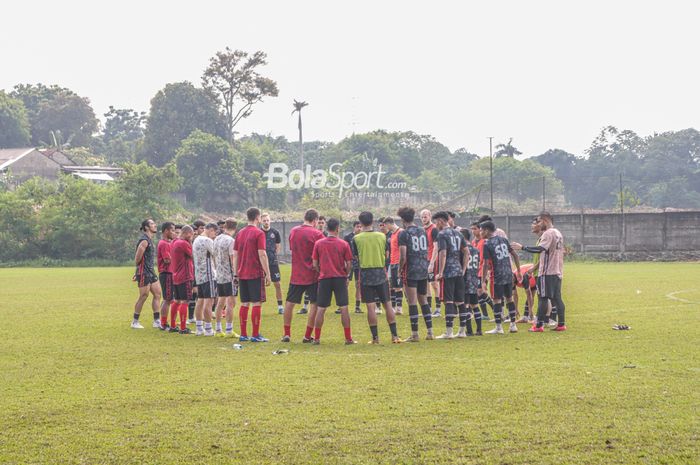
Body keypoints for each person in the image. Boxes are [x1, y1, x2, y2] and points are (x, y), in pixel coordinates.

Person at [512, 212, 567, 332]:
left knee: (542, 298)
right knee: (557, 298)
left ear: (545, 220)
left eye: (539, 221)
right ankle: (561, 324)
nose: (538, 223)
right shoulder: (558, 233)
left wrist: (523, 247)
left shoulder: (548, 233)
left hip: (547, 272)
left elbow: (540, 249)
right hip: (557, 271)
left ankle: (538, 326)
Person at [352, 211, 401, 344]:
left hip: (366, 274)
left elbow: (356, 257)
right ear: (372, 221)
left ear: (360, 223)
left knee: (370, 307)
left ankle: (375, 338)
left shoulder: (356, 238)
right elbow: (386, 254)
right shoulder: (382, 236)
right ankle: (395, 336)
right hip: (380, 273)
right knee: (388, 304)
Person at [281, 209, 325, 342]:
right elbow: (322, 254)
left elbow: (292, 249)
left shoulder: (294, 231)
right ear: (315, 220)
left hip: (296, 274)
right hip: (313, 274)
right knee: (314, 304)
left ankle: (287, 334)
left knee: (289, 303)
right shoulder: (317, 234)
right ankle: (307, 335)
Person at [311, 218, 356, 345]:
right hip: (340, 278)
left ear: (326, 228)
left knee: (321, 308)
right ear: (337, 229)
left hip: (324, 279)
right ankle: (348, 338)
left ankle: (317, 338)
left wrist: (321, 272)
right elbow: (349, 263)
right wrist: (346, 274)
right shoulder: (343, 244)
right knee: (344, 308)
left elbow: (314, 263)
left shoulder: (319, 243)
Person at [232, 207, 271, 342]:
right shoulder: (259, 233)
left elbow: (235, 255)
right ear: (257, 218)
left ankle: (243, 334)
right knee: (256, 303)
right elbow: (262, 254)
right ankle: (255, 335)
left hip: (242, 273)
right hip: (255, 273)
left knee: (245, 303)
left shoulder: (239, 233)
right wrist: (268, 273)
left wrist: (236, 274)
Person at [396, 207, 433, 342]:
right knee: (423, 301)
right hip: (423, 268)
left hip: (411, 270)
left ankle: (415, 334)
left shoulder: (404, 234)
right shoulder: (422, 231)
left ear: (403, 219)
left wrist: (400, 269)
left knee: (412, 302)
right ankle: (430, 332)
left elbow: (403, 256)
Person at [480, 221, 521, 334]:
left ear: (487, 230)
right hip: (508, 273)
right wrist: (518, 271)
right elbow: (515, 255)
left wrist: (483, 280)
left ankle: (499, 327)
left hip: (497, 275)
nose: (480, 232)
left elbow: (486, 264)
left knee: (497, 300)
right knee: (509, 298)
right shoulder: (503, 239)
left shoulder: (487, 244)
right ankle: (513, 325)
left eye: (481, 230)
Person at [432, 211, 469, 339]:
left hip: (448, 271)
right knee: (460, 301)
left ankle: (449, 332)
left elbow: (443, 253)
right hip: (458, 271)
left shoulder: (442, 234)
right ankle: (462, 331)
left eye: (436, 222)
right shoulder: (458, 233)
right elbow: (466, 252)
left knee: (448, 301)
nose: (435, 225)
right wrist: (463, 269)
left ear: (441, 221)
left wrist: (441, 272)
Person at [132, 219, 162, 329]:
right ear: (146, 227)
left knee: (158, 294)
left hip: (151, 272)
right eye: (152, 224)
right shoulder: (144, 241)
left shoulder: (150, 240)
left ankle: (156, 321)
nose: (155, 225)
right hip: (144, 272)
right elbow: (137, 259)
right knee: (144, 296)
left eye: (155, 223)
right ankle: (135, 321)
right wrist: (138, 272)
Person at [214, 218, 239, 337]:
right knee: (231, 302)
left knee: (220, 302)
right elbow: (232, 258)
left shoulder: (217, 239)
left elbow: (214, 256)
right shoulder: (231, 241)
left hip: (219, 275)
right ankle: (229, 329)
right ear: (235, 228)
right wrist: (236, 274)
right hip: (229, 276)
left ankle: (218, 329)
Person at [193, 223, 218, 336]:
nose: (214, 236)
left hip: (199, 275)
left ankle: (199, 328)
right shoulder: (207, 241)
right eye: (214, 233)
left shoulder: (196, 240)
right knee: (209, 301)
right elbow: (216, 254)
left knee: (200, 301)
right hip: (209, 275)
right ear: (211, 230)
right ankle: (208, 329)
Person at [170, 225, 194, 334]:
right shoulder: (184, 243)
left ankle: (173, 325)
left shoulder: (174, 242)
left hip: (175, 276)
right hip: (185, 276)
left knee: (177, 300)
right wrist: (190, 242)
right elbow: (193, 255)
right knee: (185, 301)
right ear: (188, 233)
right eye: (192, 235)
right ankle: (183, 328)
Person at [470, 221, 494, 321]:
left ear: (480, 230)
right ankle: (485, 314)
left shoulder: (484, 242)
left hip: (482, 270)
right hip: (474, 271)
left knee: (480, 291)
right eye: (472, 229)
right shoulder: (473, 242)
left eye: (475, 229)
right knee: (478, 292)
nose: (473, 231)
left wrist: (487, 270)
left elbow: (486, 258)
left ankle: (493, 308)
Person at [461, 229, 483, 336]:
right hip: (474, 279)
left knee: (466, 306)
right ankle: (479, 330)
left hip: (465, 280)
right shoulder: (476, 250)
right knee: (475, 305)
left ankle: (469, 330)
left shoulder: (462, 250)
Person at [260, 213, 284, 314]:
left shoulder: (275, 232)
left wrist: (274, 255)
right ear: (261, 221)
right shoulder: (258, 232)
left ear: (270, 221)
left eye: (267, 220)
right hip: (261, 262)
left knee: (277, 284)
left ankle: (280, 307)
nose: (266, 222)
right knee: (259, 285)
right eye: (264, 220)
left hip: (273, 263)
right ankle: (258, 307)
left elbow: (278, 246)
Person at [420, 209, 441, 317]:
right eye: (422, 217)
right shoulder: (422, 230)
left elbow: (436, 247)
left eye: (426, 216)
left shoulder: (434, 229)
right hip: (424, 260)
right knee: (426, 284)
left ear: (430, 216)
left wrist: (432, 262)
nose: (424, 219)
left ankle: (438, 309)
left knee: (434, 283)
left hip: (432, 259)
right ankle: (428, 308)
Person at [157, 222, 177, 330]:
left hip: (169, 273)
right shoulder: (164, 243)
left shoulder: (168, 243)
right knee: (168, 299)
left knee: (168, 299)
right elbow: (167, 259)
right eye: (172, 230)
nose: (174, 233)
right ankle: (163, 323)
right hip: (167, 273)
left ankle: (163, 321)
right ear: (166, 231)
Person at [187, 220, 206, 324]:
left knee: (196, 293)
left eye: (195, 230)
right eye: (193, 230)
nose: (194, 232)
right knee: (193, 293)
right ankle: (190, 317)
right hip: (191, 270)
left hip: (197, 270)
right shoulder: (189, 242)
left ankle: (195, 316)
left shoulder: (197, 241)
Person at [385, 217, 404, 315]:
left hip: (398, 262)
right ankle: (393, 307)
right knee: (392, 285)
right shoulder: (392, 234)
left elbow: (403, 249)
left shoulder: (401, 232)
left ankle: (399, 307)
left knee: (399, 286)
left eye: (386, 225)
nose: (386, 228)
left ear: (389, 223)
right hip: (392, 263)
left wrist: (401, 263)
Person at [344, 221, 363, 313]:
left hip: (359, 264)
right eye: (357, 227)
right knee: (346, 283)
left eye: (360, 227)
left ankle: (357, 306)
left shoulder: (363, 237)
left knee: (358, 285)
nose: (359, 228)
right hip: (349, 263)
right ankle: (343, 306)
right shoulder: (348, 237)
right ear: (354, 227)